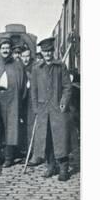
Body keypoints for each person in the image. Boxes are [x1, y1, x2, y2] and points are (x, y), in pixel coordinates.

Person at [30, 37, 72, 181]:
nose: (47, 54)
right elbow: (33, 91)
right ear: (41, 52)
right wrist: (35, 107)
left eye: (49, 51)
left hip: (57, 109)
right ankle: (50, 166)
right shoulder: (37, 68)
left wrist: (64, 102)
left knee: (60, 138)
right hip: (43, 109)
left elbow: (67, 87)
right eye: (45, 51)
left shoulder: (60, 67)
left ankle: (63, 168)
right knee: (46, 138)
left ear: (53, 51)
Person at [0, 37, 27, 167]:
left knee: (11, 128)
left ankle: (9, 157)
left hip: (13, 101)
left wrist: (19, 101)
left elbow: (22, 85)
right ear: (0, 50)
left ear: (10, 49)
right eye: (3, 48)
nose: (5, 50)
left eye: (7, 48)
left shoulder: (18, 66)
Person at [20, 45, 37, 159]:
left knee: (31, 126)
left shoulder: (34, 67)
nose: (26, 59)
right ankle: (25, 150)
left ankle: (34, 153)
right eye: (23, 56)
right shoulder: (18, 67)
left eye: (27, 56)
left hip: (31, 100)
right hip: (21, 100)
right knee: (23, 126)